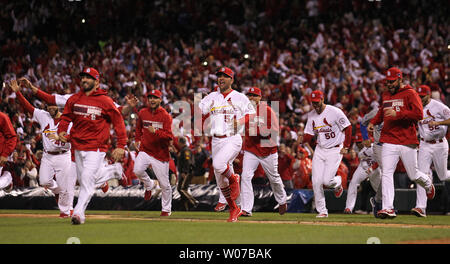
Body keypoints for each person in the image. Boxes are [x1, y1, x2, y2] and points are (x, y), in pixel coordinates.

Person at [57, 67, 127, 225]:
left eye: (88, 78)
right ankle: (113, 170)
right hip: (77, 146)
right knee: (85, 181)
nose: (84, 80)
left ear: (97, 82)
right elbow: (66, 116)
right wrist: (61, 130)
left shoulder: (105, 101)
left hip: (96, 147)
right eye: (83, 77)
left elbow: (119, 122)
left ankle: (78, 213)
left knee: (87, 180)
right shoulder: (74, 99)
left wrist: (121, 144)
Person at [367, 67, 435, 219]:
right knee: (387, 173)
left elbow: (418, 114)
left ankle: (427, 183)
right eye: (387, 82)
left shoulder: (411, 93)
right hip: (388, 139)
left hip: (406, 140)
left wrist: (398, 113)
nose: (389, 85)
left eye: (392, 82)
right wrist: (374, 121)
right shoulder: (386, 94)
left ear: (400, 79)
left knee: (413, 174)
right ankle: (388, 208)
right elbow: (382, 111)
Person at [198, 66, 255, 222]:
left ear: (232, 79)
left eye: (225, 76)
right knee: (220, 180)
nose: (221, 78)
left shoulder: (240, 97)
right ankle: (234, 208)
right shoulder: (211, 97)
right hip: (216, 139)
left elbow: (251, 113)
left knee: (218, 164)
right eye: (219, 76)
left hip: (232, 138)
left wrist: (240, 121)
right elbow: (200, 111)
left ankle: (234, 179)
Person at [10, 79, 74, 217]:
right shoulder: (43, 116)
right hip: (48, 156)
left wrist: (65, 138)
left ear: (58, 107)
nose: (50, 108)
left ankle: (66, 211)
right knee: (44, 181)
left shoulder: (68, 120)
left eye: (52, 106)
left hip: (63, 154)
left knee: (64, 185)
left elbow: (74, 137)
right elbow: (28, 107)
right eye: (48, 106)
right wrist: (18, 93)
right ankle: (58, 193)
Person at [303, 90, 352, 218]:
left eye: (317, 102)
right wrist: (302, 140)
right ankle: (322, 211)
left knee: (327, 180)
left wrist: (346, 146)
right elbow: (308, 134)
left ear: (322, 99)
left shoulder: (334, 111)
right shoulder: (312, 115)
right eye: (313, 103)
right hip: (320, 149)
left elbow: (348, 127)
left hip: (335, 149)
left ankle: (338, 183)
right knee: (316, 181)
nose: (315, 105)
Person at [240, 87, 287, 216]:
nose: (251, 98)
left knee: (274, 178)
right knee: (245, 177)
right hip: (251, 149)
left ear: (260, 97)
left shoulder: (268, 111)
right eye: (249, 96)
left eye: (254, 96)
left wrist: (258, 132)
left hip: (268, 150)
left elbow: (275, 131)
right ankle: (246, 209)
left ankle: (282, 200)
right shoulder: (244, 111)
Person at [411, 85, 450, 217]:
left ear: (429, 95)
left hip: (439, 144)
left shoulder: (439, 106)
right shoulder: (416, 106)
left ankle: (430, 179)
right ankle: (421, 207)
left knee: (443, 176)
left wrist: (439, 123)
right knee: (421, 175)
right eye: (419, 96)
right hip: (424, 144)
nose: (420, 98)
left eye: (423, 96)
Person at [134, 89, 174, 216]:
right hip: (145, 150)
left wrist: (155, 132)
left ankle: (166, 210)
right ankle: (149, 184)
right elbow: (138, 127)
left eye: (155, 98)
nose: (152, 100)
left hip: (160, 153)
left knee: (164, 184)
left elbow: (169, 136)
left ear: (160, 100)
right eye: (150, 97)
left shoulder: (165, 116)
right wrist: (136, 139)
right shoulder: (142, 112)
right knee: (137, 170)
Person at [344, 139, 381, 214]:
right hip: (363, 167)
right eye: (357, 142)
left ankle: (386, 207)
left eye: (360, 142)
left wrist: (372, 168)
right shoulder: (357, 147)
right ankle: (348, 207)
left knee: (379, 189)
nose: (359, 144)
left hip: (375, 169)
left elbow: (381, 160)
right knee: (353, 183)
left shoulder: (375, 147)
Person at [177, 136, 199, 211]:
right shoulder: (183, 150)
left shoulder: (186, 150)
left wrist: (184, 172)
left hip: (187, 172)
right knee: (181, 189)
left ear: (181, 142)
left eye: (178, 142)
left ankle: (194, 201)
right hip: (186, 171)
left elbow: (187, 161)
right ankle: (184, 208)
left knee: (182, 189)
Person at [0, 111, 17, 192]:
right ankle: (7, 178)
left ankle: (7, 178)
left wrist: (5, 154)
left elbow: (12, 137)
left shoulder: (2, 117)